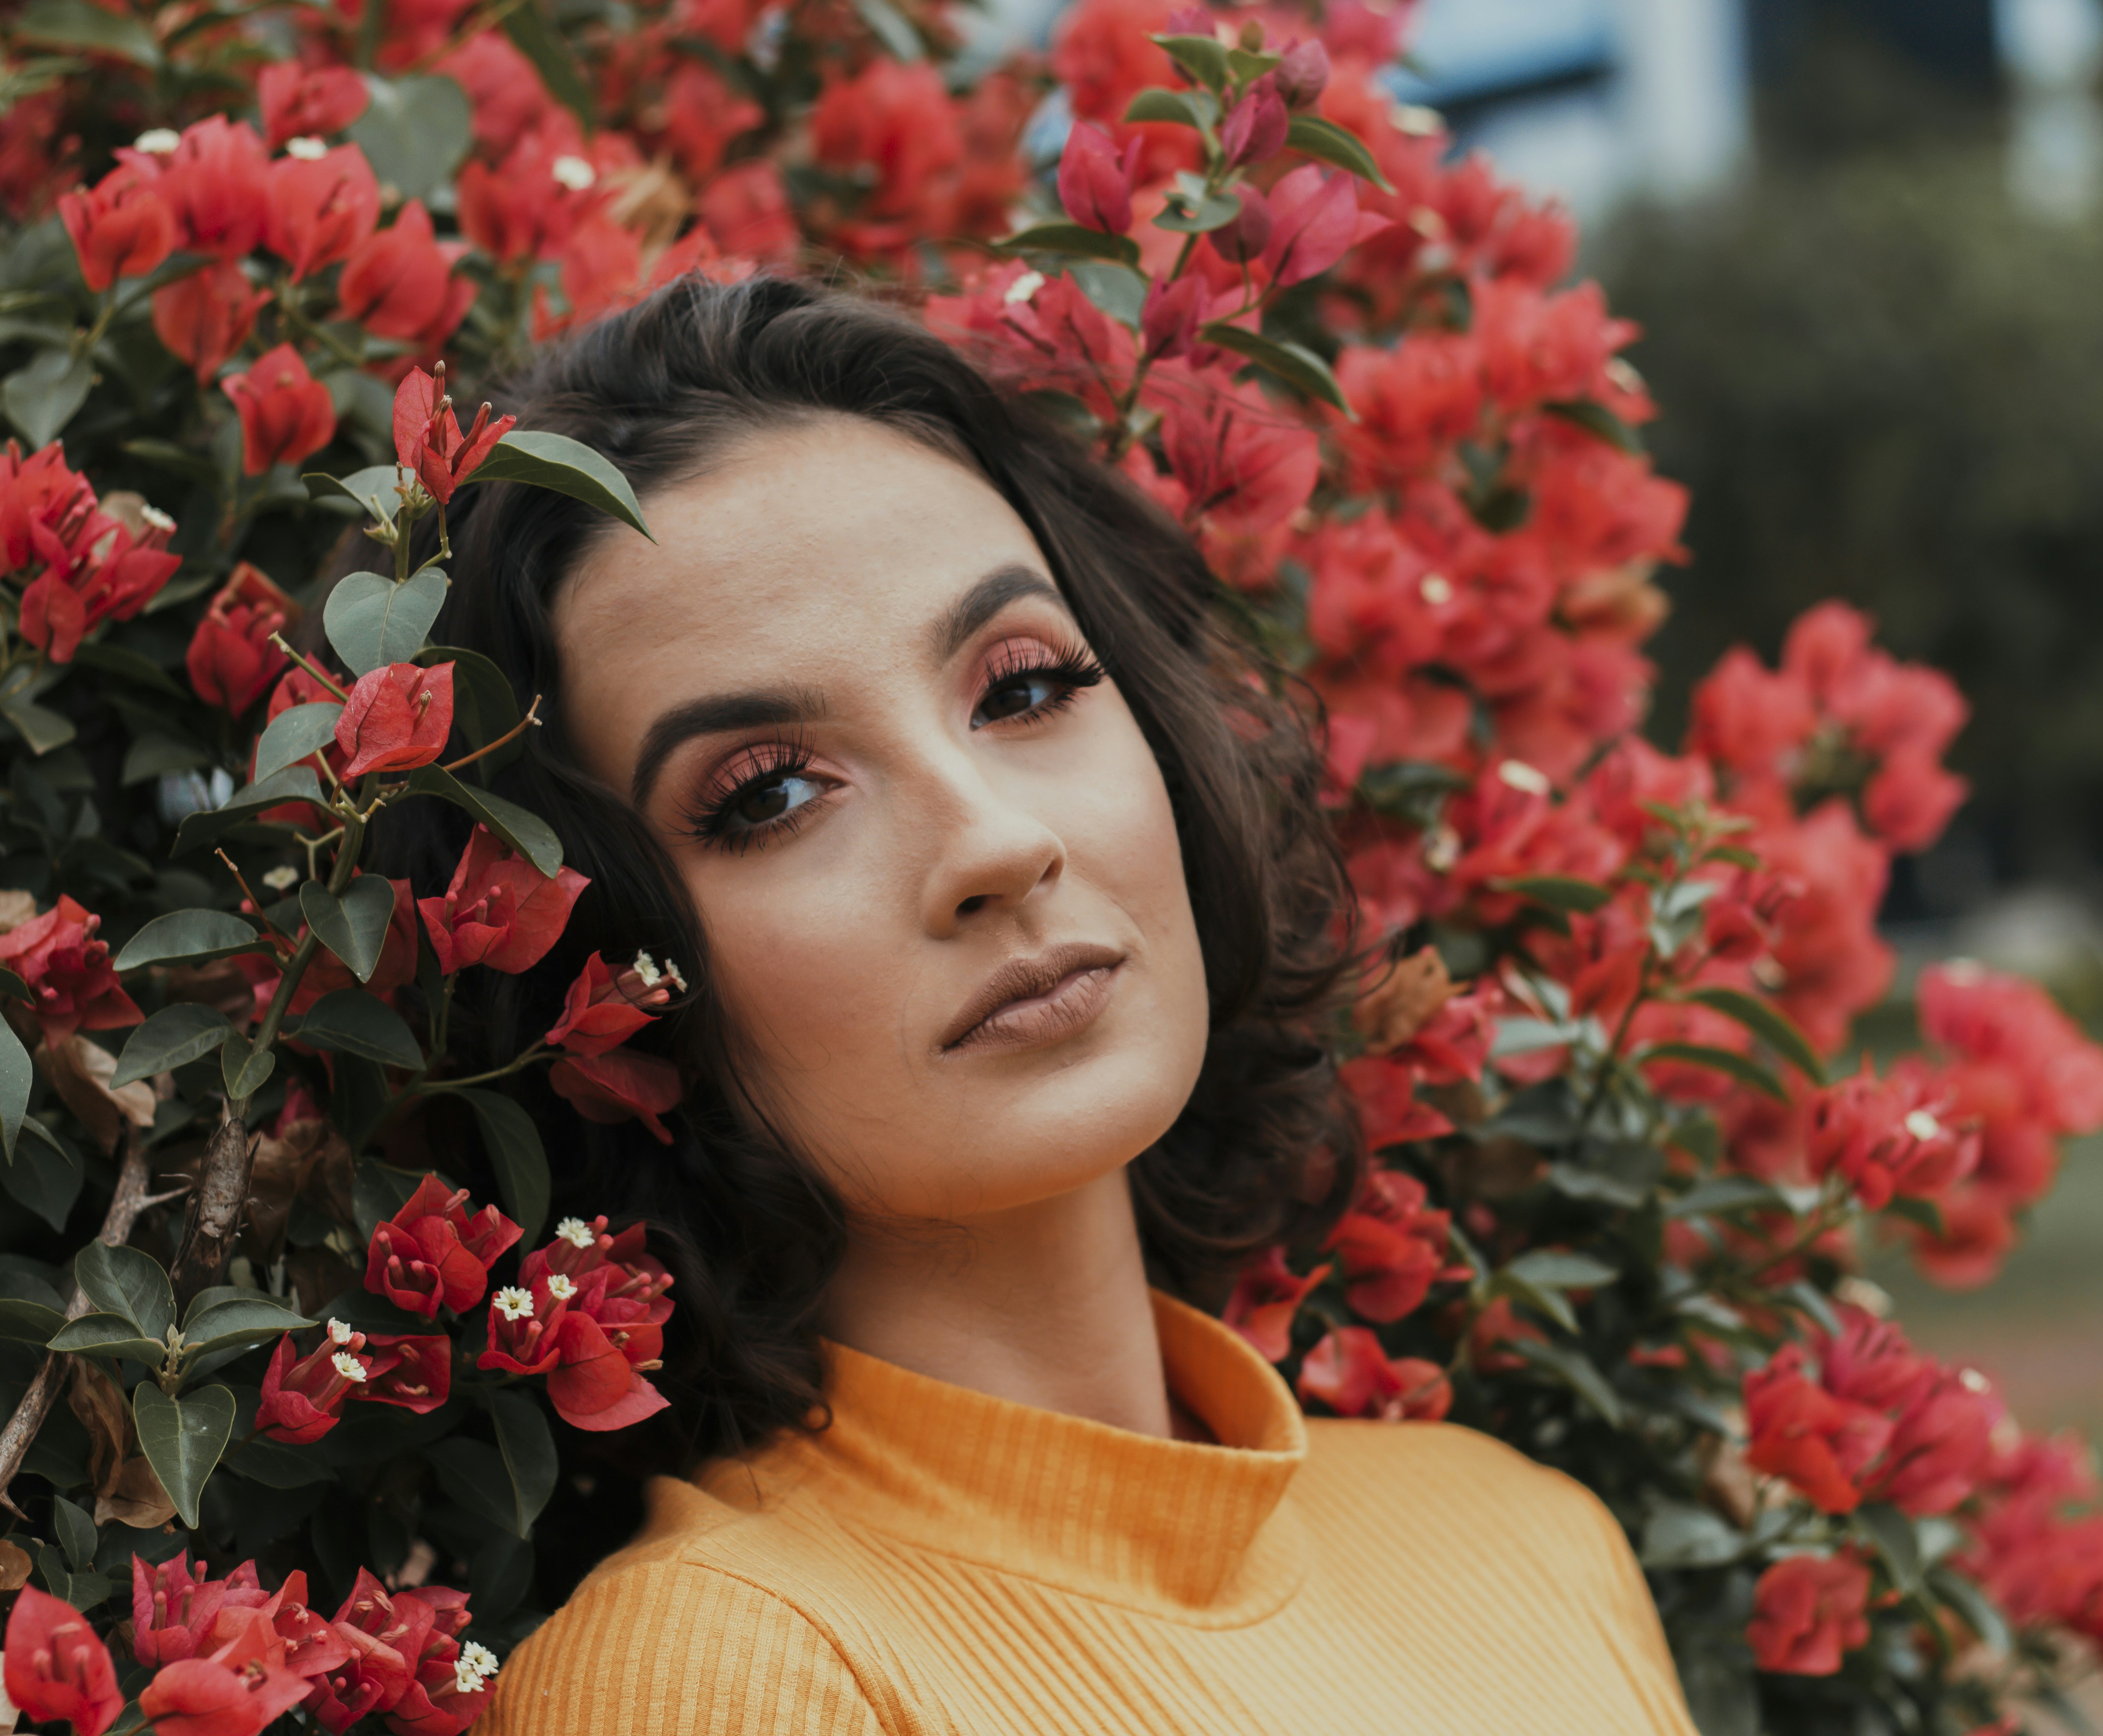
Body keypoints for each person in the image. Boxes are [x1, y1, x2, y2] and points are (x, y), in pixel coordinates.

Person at [408, 275, 1698, 1735]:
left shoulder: (1522, 1537)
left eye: (1022, 691)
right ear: (612, 987)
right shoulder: (726, 1677)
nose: (999, 843)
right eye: (769, 793)